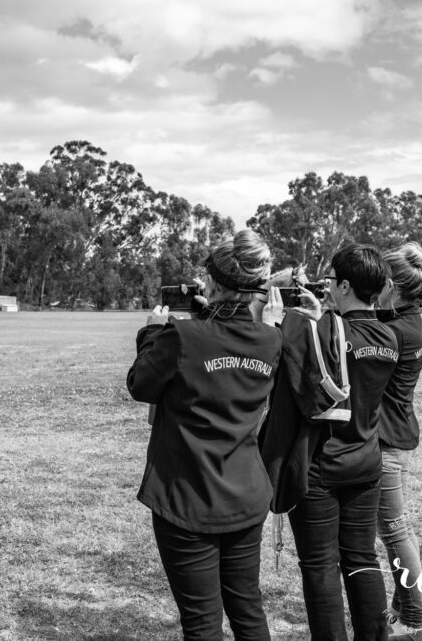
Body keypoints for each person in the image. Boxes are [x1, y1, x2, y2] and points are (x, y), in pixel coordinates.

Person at [126, 230, 282, 640]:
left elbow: (141, 384)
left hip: (188, 497)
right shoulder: (270, 339)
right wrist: (207, 315)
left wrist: (152, 332)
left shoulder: (181, 336)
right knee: (248, 610)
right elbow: (228, 348)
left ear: (212, 283)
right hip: (246, 493)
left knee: (201, 622)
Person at [275, 243, 399, 640]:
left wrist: (298, 313)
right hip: (367, 460)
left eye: (330, 281)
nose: (327, 287)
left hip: (322, 465)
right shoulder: (388, 335)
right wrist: (321, 317)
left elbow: (293, 350)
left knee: (320, 566)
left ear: (345, 285)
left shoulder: (328, 329)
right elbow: (340, 340)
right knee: (362, 558)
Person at [376, 243, 422, 641]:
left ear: (394, 287)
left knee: (394, 530)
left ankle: (412, 616)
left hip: (386, 442)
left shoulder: (394, 332)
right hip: (398, 433)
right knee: (397, 528)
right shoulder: (416, 323)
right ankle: (403, 607)